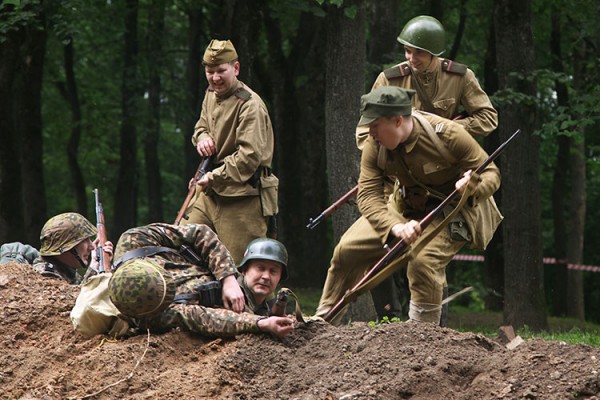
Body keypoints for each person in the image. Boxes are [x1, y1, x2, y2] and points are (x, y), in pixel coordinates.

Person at [316, 86, 501, 325]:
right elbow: (368, 196)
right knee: (348, 249)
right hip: (404, 209)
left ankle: (421, 336)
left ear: (398, 121)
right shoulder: (376, 144)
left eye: (374, 126)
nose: (369, 132)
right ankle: (321, 326)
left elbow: (492, 174)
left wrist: (473, 185)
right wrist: (394, 227)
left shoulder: (448, 135)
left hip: (451, 210)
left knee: (422, 262)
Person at [357, 15, 499, 321]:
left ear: (435, 53)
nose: (411, 58)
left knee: (429, 261)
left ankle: (433, 328)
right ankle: (389, 317)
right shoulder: (390, 80)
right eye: (407, 51)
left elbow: (488, 118)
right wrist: (386, 143)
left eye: (418, 52)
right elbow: (362, 133)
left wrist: (442, 129)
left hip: (444, 180)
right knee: (372, 247)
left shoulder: (459, 77)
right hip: (401, 183)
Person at [108, 223, 295, 338]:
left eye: (273, 271)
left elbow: (200, 233)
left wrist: (227, 278)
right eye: (261, 269)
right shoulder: (150, 316)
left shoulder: (134, 241)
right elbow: (202, 318)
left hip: (221, 276)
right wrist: (260, 323)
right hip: (229, 306)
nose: (266, 276)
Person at [184, 39, 278, 265]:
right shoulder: (210, 94)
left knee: (244, 271)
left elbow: (248, 158)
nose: (215, 77)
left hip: (242, 198)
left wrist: (212, 177)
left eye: (221, 71)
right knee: (181, 248)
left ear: (235, 69)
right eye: (210, 71)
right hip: (209, 194)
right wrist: (203, 138)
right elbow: (201, 126)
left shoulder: (250, 105)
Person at [25, 212, 113, 284]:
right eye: (84, 240)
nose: (92, 246)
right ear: (66, 247)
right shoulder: (46, 275)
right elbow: (72, 302)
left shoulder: (65, 270)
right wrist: (93, 270)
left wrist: (98, 266)